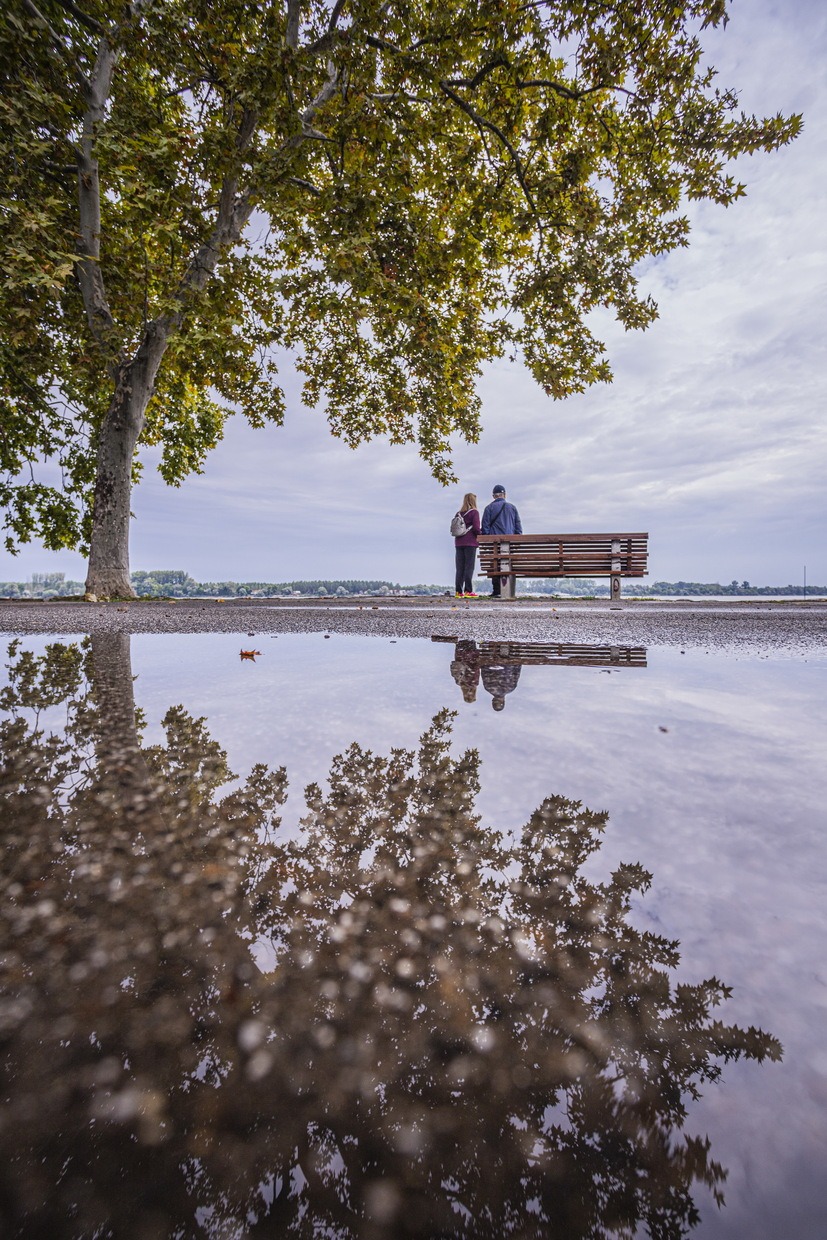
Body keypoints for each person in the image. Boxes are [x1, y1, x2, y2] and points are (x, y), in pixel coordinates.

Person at [481, 485, 522, 597]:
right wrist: (516, 542)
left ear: (494, 496)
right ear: (504, 495)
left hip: (494, 545)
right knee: (508, 563)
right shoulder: (512, 508)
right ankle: (508, 590)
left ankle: (497, 590)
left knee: (495, 563)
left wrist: (487, 543)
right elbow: (518, 528)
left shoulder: (488, 508)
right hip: (509, 544)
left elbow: (485, 529)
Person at [453, 491, 481, 599]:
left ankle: (458, 592)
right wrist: (481, 533)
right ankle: (468, 591)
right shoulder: (474, 513)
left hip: (458, 543)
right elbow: (476, 528)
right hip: (470, 543)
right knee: (469, 567)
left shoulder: (458, 513)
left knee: (459, 568)